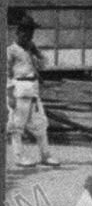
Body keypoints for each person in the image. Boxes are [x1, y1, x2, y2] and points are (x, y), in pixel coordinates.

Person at [6, 16, 59, 168]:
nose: (28, 36)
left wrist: (37, 52)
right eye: (25, 33)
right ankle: (19, 156)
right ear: (18, 32)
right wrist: (9, 94)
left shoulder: (30, 50)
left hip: (33, 90)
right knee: (17, 125)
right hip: (19, 90)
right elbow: (6, 73)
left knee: (41, 123)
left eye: (31, 33)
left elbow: (44, 65)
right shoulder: (11, 51)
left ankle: (45, 155)